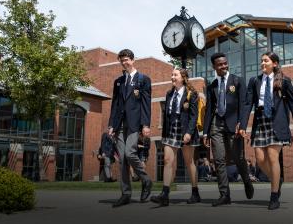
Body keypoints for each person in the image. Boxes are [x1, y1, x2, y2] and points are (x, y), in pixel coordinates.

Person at [239, 51, 293, 210]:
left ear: (274, 63)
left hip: (277, 121)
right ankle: (277, 180)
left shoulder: (285, 81)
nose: (262, 63)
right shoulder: (254, 80)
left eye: (266, 61)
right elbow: (248, 104)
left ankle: (274, 195)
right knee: (260, 159)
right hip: (260, 121)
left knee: (272, 157)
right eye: (261, 61)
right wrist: (243, 125)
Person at [203, 52, 254, 207]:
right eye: (220, 64)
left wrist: (242, 124)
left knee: (238, 158)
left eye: (225, 63)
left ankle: (246, 181)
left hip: (234, 125)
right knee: (218, 160)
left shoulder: (238, 81)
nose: (224, 66)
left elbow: (244, 105)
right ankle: (224, 194)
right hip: (216, 125)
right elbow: (209, 110)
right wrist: (205, 132)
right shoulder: (212, 86)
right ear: (214, 66)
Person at [108, 49, 153, 208]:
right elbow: (115, 104)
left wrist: (146, 124)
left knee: (130, 153)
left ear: (133, 60)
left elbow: (146, 104)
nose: (124, 62)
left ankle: (146, 180)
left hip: (135, 124)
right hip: (120, 124)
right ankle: (126, 193)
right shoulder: (118, 82)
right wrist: (111, 125)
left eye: (127, 59)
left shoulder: (143, 80)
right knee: (122, 161)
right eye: (122, 60)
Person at [150, 67, 201, 206]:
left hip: (185, 130)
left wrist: (189, 132)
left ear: (183, 77)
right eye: (172, 75)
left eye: (175, 75)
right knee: (167, 160)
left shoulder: (192, 93)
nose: (172, 77)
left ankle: (195, 192)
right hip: (171, 130)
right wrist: (164, 133)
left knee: (189, 162)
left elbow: (193, 115)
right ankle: (165, 195)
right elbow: (167, 115)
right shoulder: (169, 94)